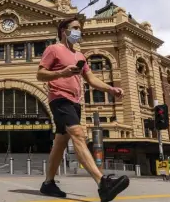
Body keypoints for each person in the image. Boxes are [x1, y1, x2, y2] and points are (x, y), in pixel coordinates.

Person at [37, 17, 130, 202]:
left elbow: (91, 79)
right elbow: (40, 74)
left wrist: (111, 89)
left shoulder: (80, 56)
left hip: (75, 102)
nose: (79, 31)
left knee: (60, 143)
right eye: (76, 28)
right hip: (60, 99)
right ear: (64, 31)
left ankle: (48, 183)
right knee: (78, 134)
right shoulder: (54, 49)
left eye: (80, 28)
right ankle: (103, 183)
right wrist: (61, 73)